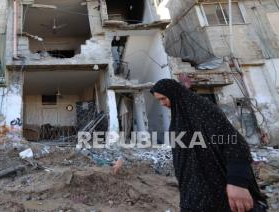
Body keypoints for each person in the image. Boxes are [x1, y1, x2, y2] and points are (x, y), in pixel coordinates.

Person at [112, 79, 268, 212]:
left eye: (163, 99)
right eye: (159, 100)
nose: (163, 104)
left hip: (217, 189)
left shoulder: (202, 109)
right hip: (194, 191)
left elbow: (235, 144)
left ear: (174, 94)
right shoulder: (180, 115)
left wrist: (237, 182)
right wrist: (125, 158)